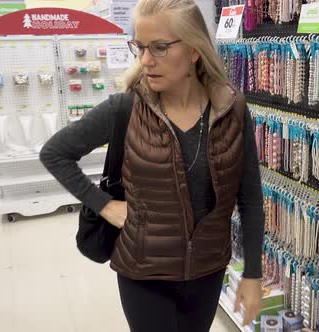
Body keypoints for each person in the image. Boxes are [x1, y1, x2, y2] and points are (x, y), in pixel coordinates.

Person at [39, 1, 264, 331]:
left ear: (194, 50)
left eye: (159, 47)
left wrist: (253, 275)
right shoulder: (125, 108)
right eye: (140, 47)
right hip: (144, 273)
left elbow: (250, 198)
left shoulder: (230, 110)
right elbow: (55, 152)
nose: (145, 60)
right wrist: (104, 205)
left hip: (208, 270)